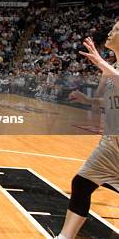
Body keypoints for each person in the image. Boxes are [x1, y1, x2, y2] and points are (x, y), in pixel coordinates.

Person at [55, 33, 119, 239]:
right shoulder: (109, 69)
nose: (111, 32)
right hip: (111, 142)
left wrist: (100, 62)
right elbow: (107, 101)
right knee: (82, 183)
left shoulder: (107, 68)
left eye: (116, 28)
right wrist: (88, 100)